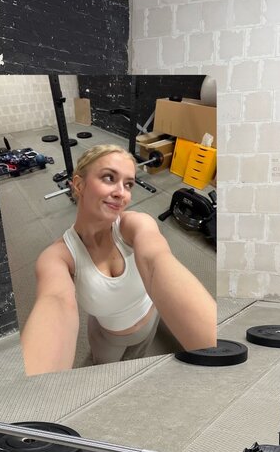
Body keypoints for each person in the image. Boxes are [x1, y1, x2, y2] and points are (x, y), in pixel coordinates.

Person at [20, 144, 216, 375]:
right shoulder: (57, 257)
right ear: (79, 185)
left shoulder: (136, 224)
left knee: (134, 363)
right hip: (107, 337)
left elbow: (156, 261)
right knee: (105, 373)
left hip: (150, 323)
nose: (122, 193)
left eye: (128, 184)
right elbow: (56, 302)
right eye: (109, 178)